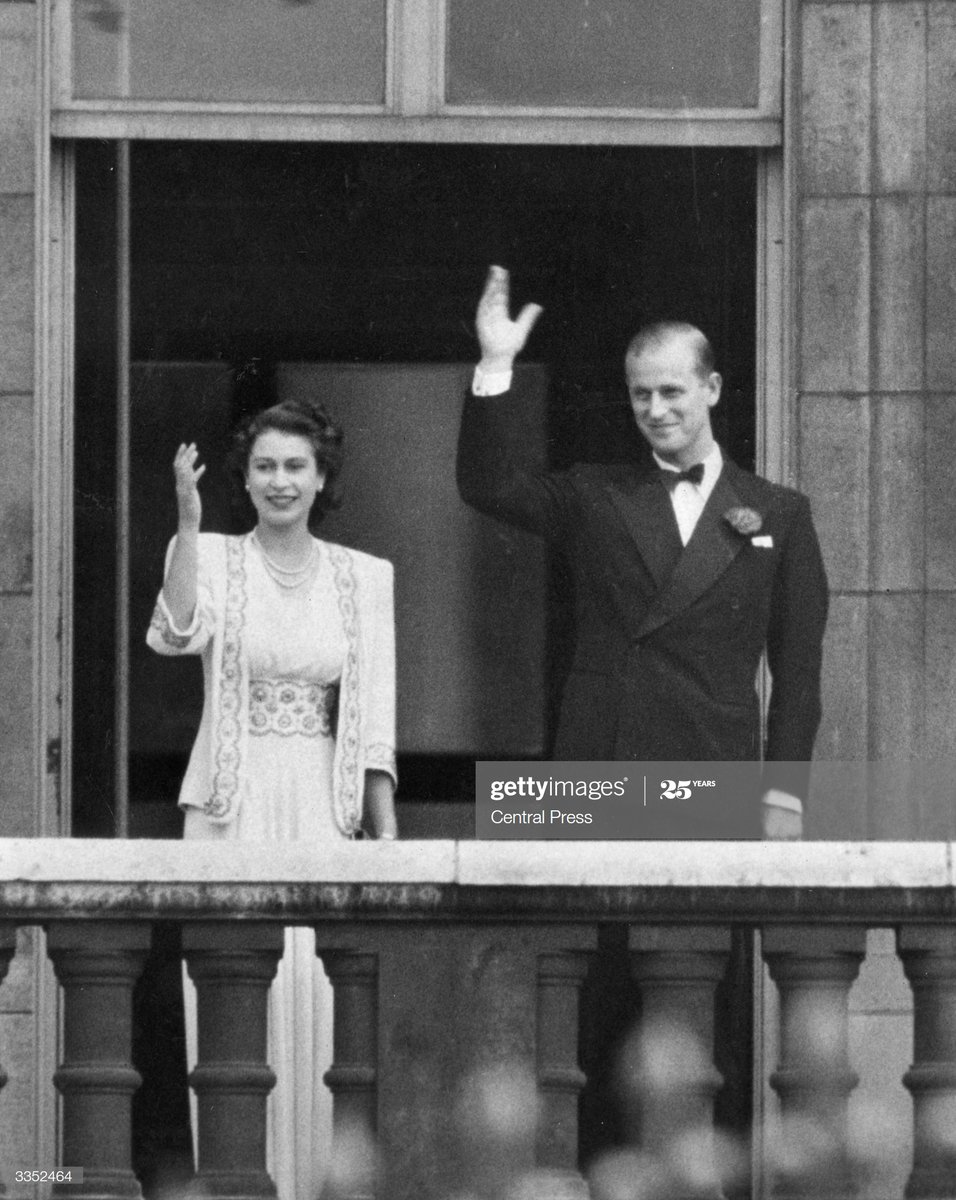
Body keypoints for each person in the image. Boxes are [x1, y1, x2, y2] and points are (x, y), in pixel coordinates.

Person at [457, 266, 828, 839]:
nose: (655, 410)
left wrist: (784, 793)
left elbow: (798, 672)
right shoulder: (594, 494)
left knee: (706, 927)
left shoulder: (780, 512)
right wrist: (495, 364)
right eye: (640, 394)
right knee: (593, 927)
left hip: (713, 768)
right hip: (601, 763)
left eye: (672, 391)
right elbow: (490, 487)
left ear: (713, 389)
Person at [147, 397, 398, 1200]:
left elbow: (376, 722)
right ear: (244, 479)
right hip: (231, 806)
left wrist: (387, 838)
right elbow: (178, 630)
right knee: (226, 1011)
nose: (280, 481)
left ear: (322, 477)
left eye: (296, 466)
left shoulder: (366, 576)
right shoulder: (211, 556)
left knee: (320, 1011)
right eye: (264, 467)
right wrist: (187, 524)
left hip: (323, 807)